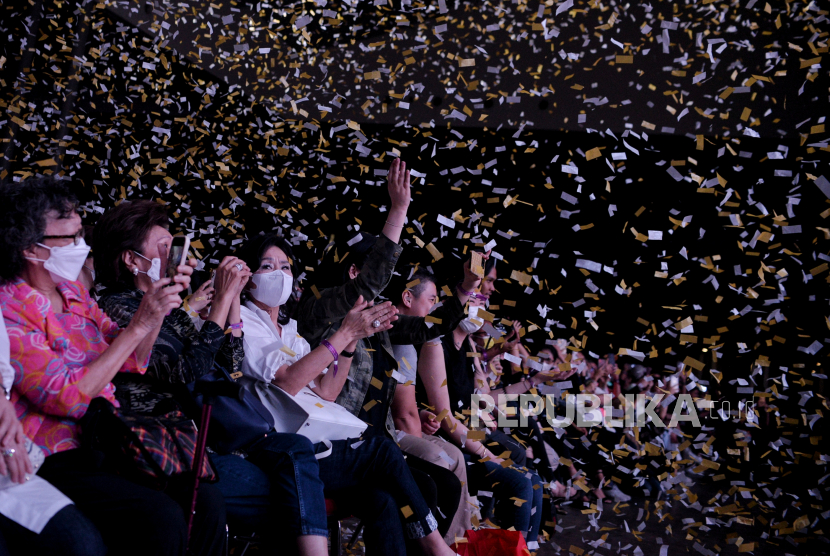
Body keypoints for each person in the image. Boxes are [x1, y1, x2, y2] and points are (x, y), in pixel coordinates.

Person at [93, 199, 332, 556]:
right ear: (131, 260)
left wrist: (232, 300)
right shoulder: (118, 306)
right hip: (155, 447)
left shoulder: (168, 305)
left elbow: (231, 366)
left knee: (295, 462)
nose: (174, 256)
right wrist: (218, 303)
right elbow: (185, 370)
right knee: (289, 498)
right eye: (163, 248)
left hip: (200, 439)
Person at [0, 178, 225, 556]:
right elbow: (67, 399)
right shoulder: (11, 308)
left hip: (112, 440)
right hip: (56, 456)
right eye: (69, 240)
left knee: (206, 503)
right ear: (30, 249)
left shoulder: (72, 292)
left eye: (79, 235)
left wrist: (156, 309)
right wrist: (139, 323)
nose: (80, 248)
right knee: (161, 518)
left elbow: (133, 358)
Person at [236, 230, 458, 556]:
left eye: (285, 267)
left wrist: (351, 342)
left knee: (382, 501)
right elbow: (287, 383)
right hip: (285, 450)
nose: (280, 275)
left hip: (321, 439)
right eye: (268, 266)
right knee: (382, 452)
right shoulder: (244, 321)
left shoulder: (292, 332)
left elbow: (326, 391)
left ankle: (434, 546)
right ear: (248, 275)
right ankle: (436, 546)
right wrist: (344, 334)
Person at [296, 159, 476, 540]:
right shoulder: (321, 310)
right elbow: (367, 286)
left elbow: (427, 326)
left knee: (440, 485)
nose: (384, 284)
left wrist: (463, 290)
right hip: (341, 444)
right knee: (426, 489)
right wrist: (398, 211)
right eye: (375, 273)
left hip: (377, 442)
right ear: (353, 273)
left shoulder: (376, 321)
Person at [416, 292, 547, 544]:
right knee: (521, 482)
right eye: (474, 301)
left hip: (468, 436)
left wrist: (535, 380)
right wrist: (487, 452)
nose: (480, 308)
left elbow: (485, 398)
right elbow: (446, 418)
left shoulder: (470, 349)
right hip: (448, 445)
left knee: (534, 481)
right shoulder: (436, 345)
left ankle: (524, 548)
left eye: (483, 304)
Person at [0, 308, 105, 556]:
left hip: (12, 463)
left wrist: (3, 401)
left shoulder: (78, 298)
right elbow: (67, 396)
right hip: (54, 447)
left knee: (82, 543)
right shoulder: (15, 305)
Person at [390, 268, 472, 543]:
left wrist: (423, 414)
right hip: (392, 434)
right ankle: (433, 545)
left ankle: (458, 541)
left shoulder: (413, 342)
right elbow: (399, 415)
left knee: (457, 458)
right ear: (407, 298)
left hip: (411, 428)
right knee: (438, 459)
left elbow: (407, 405)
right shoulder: (394, 335)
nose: (434, 307)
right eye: (431, 299)